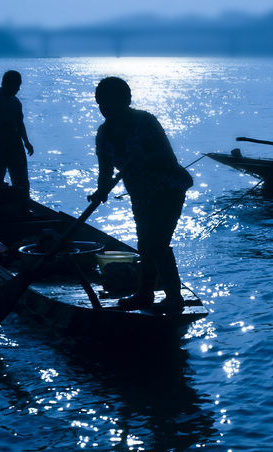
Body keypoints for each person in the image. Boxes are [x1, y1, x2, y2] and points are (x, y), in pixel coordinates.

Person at [89, 76, 193, 313]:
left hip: (168, 189)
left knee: (156, 243)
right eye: (101, 104)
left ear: (125, 101)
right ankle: (144, 295)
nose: (105, 109)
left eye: (110, 103)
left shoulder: (145, 122)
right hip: (140, 194)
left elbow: (169, 159)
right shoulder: (104, 133)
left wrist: (143, 159)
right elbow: (105, 171)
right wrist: (100, 192)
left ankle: (174, 298)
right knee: (145, 245)